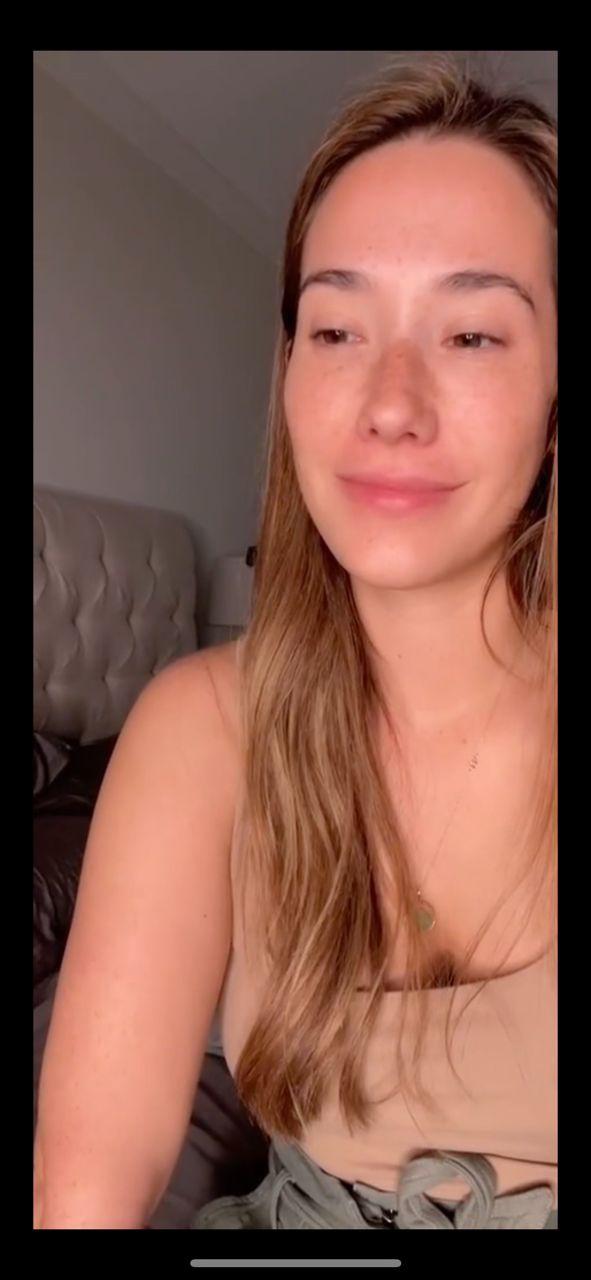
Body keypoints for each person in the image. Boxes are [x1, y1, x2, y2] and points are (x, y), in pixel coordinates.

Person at [34, 53, 557, 1230]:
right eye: (336, 328)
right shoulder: (200, 728)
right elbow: (85, 1187)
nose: (390, 402)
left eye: (473, 335)